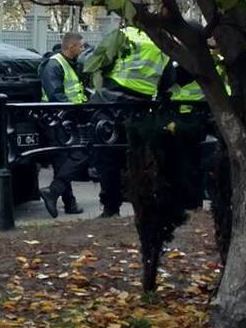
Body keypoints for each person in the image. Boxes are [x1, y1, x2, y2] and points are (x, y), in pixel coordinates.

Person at [83, 23, 168, 216]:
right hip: (141, 106)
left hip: (111, 102)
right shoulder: (162, 40)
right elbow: (166, 78)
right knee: (136, 158)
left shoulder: (123, 35)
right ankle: (142, 205)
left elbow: (95, 62)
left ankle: (111, 208)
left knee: (107, 158)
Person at [37, 31, 88, 217]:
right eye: (81, 46)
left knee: (62, 162)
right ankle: (53, 192)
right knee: (79, 155)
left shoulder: (70, 64)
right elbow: (56, 96)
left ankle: (67, 202)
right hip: (56, 119)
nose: (82, 50)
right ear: (71, 46)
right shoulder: (54, 65)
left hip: (64, 119)